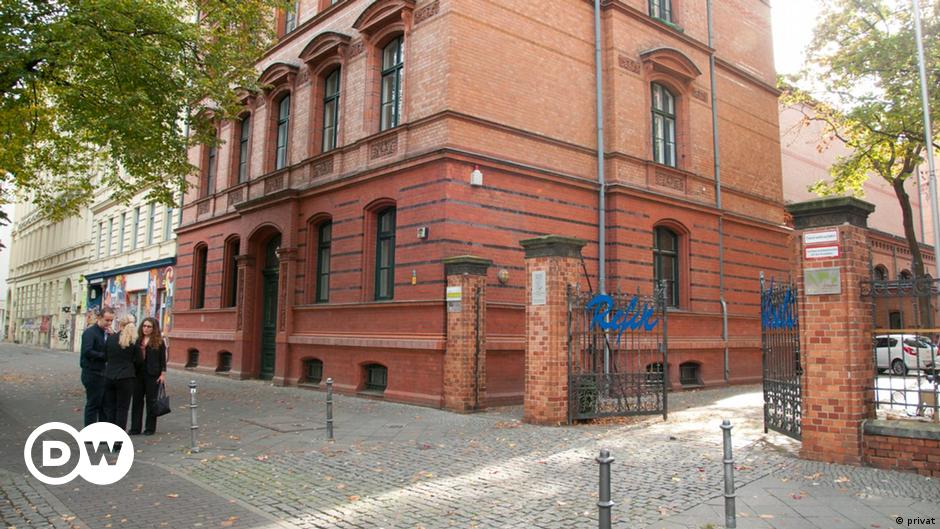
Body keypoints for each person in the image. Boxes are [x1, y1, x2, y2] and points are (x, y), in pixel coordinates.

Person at [130, 317, 167, 435]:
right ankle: (135, 428)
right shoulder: (137, 340)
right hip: (137, 374)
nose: (146, 328)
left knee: (151, 401)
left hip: (153, 374)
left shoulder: (159, 341)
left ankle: (150, 428)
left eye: (149, 327)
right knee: (137, 401)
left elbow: (163, 360)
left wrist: (162, 374)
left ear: (154, 328)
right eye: (144, 326)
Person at [80, 306, 115, 426]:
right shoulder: (90, 333)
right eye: (107, 320)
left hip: (104, 373)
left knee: (105, 404)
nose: (109, 323)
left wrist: (113, 338)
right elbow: (87, 351)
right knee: (94, 403)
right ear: (99, 318)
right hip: (92, 372)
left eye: (111, 321)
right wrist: (104, 356)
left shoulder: (108, 333)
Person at [103, 315, 138, 430]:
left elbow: (106, 356)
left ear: (120, 325)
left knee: (110, 408)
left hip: (109, 376)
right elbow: (139, 360)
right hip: (126, 377)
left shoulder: (111, 338)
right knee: (122, 409)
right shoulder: (133, 340)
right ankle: (119, 440)